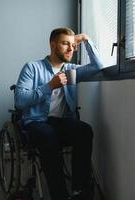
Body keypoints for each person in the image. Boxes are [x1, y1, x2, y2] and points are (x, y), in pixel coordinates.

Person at [14, 27, 103, 200]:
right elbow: (20, 100)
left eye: (72, 44)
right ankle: (59, 195)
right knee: (47, 135)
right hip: (36, 122)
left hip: (60, 123)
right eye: (65, 44)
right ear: (53, 45)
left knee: (85, 130)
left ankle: (80, 191)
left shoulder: (71, 71)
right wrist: (49, 86)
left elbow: (98, 66)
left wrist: (85, 39)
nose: (71, 49)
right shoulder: (33, 67)